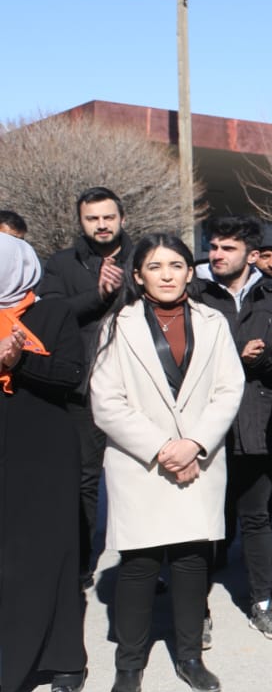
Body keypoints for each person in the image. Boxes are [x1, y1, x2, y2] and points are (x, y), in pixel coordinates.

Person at [91, 234, 244, 692]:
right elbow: (106, 400)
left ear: (189, 271)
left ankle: (191, 656)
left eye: (176, 265)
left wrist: (194, 443)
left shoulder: (213, 322)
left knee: (191, 563)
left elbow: (228, 388)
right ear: (138, 276)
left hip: (198, 460)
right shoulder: (120, 324)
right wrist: (163, 448)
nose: (167, 274)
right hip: (143, 465)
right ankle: (130, 664)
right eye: (155, 267)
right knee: (137, 565)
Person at [192, 215, 272, 639]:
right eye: (214, 246)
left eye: (227, 248)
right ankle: (194, 607)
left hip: (261, 425)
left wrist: (265, 360)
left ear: (251, 256)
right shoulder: (194, 297)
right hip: (204, 430)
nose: (217, 255)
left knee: (257, 519)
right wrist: (236, 354)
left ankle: (262, 601)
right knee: (203, 522)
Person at [0, 233, 87, 692]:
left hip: (44, 451)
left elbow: (71, 376)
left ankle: (64, 659)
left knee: (53, 554)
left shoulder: (52, 312)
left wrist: (19, 360)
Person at [40, 186, 126, 590]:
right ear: (81, 221)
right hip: (82, 386)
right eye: (92, 218)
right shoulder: (61, 263)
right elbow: (53, 311)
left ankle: (141, 562)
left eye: (108, 217)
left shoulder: (143, 256)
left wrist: (128, 284)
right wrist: (98, 293)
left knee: (140, 476)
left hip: (137, 384)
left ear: (121, 218)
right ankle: (82, 562)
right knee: (86, 478)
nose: (102, 224)